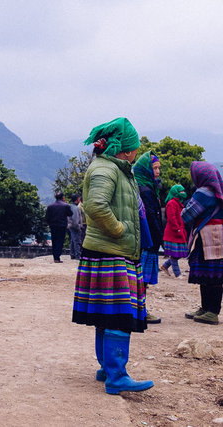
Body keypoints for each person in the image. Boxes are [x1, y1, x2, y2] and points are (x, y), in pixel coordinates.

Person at [72, 117, 154, 395]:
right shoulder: (106, 170)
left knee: (107, 315)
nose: (135, 151)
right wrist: (120, 229)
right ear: (125, 149)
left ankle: (107, 368)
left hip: (110, 252)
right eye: (133, 147)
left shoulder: (114, 168)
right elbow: (95, 205)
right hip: (112, 252)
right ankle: (116, 376)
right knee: (119, 315)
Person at [181, 161, 223, 325]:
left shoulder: (204, 192)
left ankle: (211, 312)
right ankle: (206, 309)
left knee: (210, 275)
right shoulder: (218, 190)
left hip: (207, 237)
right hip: (217, 237)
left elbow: (186, 215)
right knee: (211, 274)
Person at [133, 151, 163, 324]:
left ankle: (140, 309)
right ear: (146, 169)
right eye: (155, 168)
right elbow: (151, 216)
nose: (158, 172)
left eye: (159, 168)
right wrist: (159, 237)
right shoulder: (145, 190)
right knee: (142, 280)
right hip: (147, 240)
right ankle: (140, 310)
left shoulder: (148, 186)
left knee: (142, 279)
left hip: (147, 240)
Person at [161, 185, 189, 278]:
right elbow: (172, 218)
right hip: (173, 232)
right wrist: (177, 228)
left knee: (179, 253)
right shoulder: (172, 203)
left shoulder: (179, 203)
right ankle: (177, 274)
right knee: (174, 254)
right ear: (176, 192)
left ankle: (164, 266)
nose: (183, 193)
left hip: (178, 231)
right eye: (181, 191)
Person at [45, 192, 72, 263]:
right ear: (63, 197)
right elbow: (70, 214)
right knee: (60, 241)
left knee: (54, 241)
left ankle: (55, 257)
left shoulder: (50, 206)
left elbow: (47, 218)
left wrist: (50, 224)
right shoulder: (66, 205)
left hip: (53, 226)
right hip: (62, 226)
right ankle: (57, 257)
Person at [68, 194, 83, 259]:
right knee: (77, 241)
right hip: (75, 226)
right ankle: (77, 255)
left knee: (72, 240)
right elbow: (75, 219)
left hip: (71, 226)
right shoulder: (75, 208)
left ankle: (72, 254)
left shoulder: (71, 206)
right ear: (77, 200)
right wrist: (78, 227)